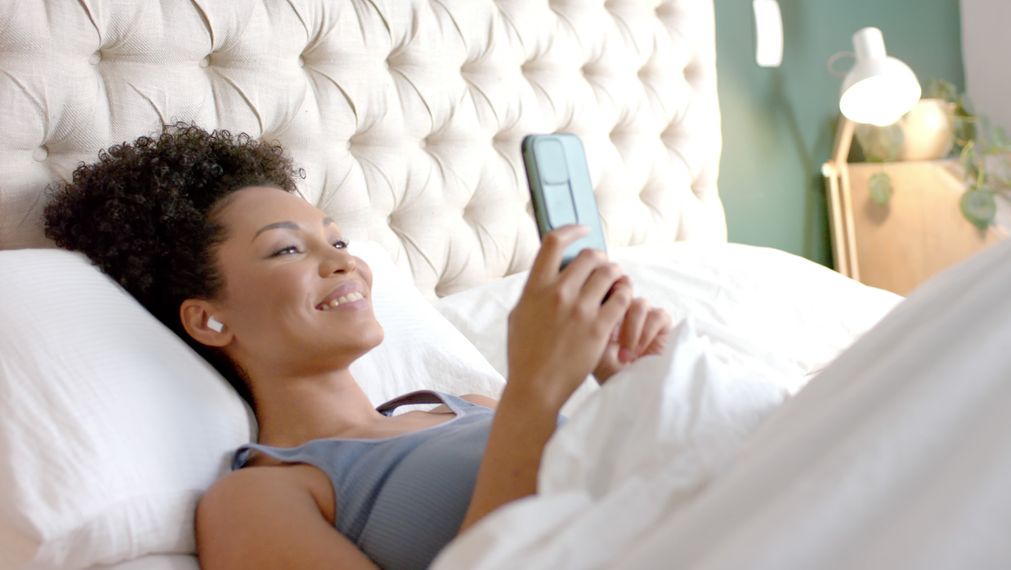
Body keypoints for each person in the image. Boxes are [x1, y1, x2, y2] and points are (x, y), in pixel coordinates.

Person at [43, 123, 672, 569]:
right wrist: (537, 392)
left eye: (338, 242)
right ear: (208, 320)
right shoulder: (259, 498)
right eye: (288, 248)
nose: (343, 263)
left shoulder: (474, 402)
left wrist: (643, 389)